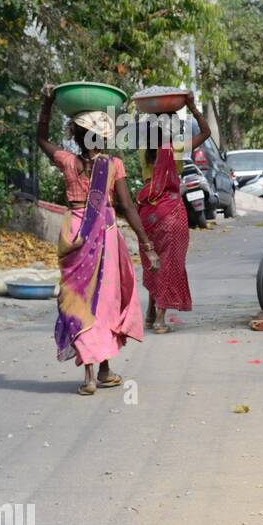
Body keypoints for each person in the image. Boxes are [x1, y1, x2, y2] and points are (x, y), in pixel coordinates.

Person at [38, 85, 156, 395]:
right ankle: (103, 370)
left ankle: (92, 374)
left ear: (76, 137)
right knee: (105, 303)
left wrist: (47, 103)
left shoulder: (67, 161)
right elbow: (128, 207)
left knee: (78, 302)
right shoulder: (114, 165)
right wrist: (146, 243)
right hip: (105, 233)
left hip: (75, 233)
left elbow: (40, 140)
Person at [137, 95, 209, 333]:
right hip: (170, 210)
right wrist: (191, 107)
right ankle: (159, 320)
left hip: (147, 212)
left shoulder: (143, 149)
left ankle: (149, 314)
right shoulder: (175, 148)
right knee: (170, 264)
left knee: (153, 261)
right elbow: (206, 132)